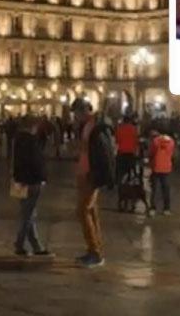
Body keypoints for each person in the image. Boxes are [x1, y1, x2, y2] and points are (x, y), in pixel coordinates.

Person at [73, 98, 114, 268]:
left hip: (91, 175)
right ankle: (95, 248)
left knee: (83, 211)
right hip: (85, 173)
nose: (75, 117)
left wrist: (98, 175)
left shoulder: (97, 128)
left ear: (83, 112)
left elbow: (105, 154)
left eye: (76, 113)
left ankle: (95, 253)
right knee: (91, 211)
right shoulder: (88, 126)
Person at [12, 118, 52, 257]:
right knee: (28, 215)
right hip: (32, 181)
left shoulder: (17, 140)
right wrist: (43, 177)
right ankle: (19, 243)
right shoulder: (31, 141)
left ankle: (36, 246)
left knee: (28, 212)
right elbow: (37, 162)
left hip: (20, 181)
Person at [148, 127, 175, 216]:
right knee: (166, 189)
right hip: (166, 168)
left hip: (156, 167)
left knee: (155, 189)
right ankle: (166, 209)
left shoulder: (155, 141)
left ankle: (153, 208)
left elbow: (151, 153)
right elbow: (172, 154)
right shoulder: (171, 142)